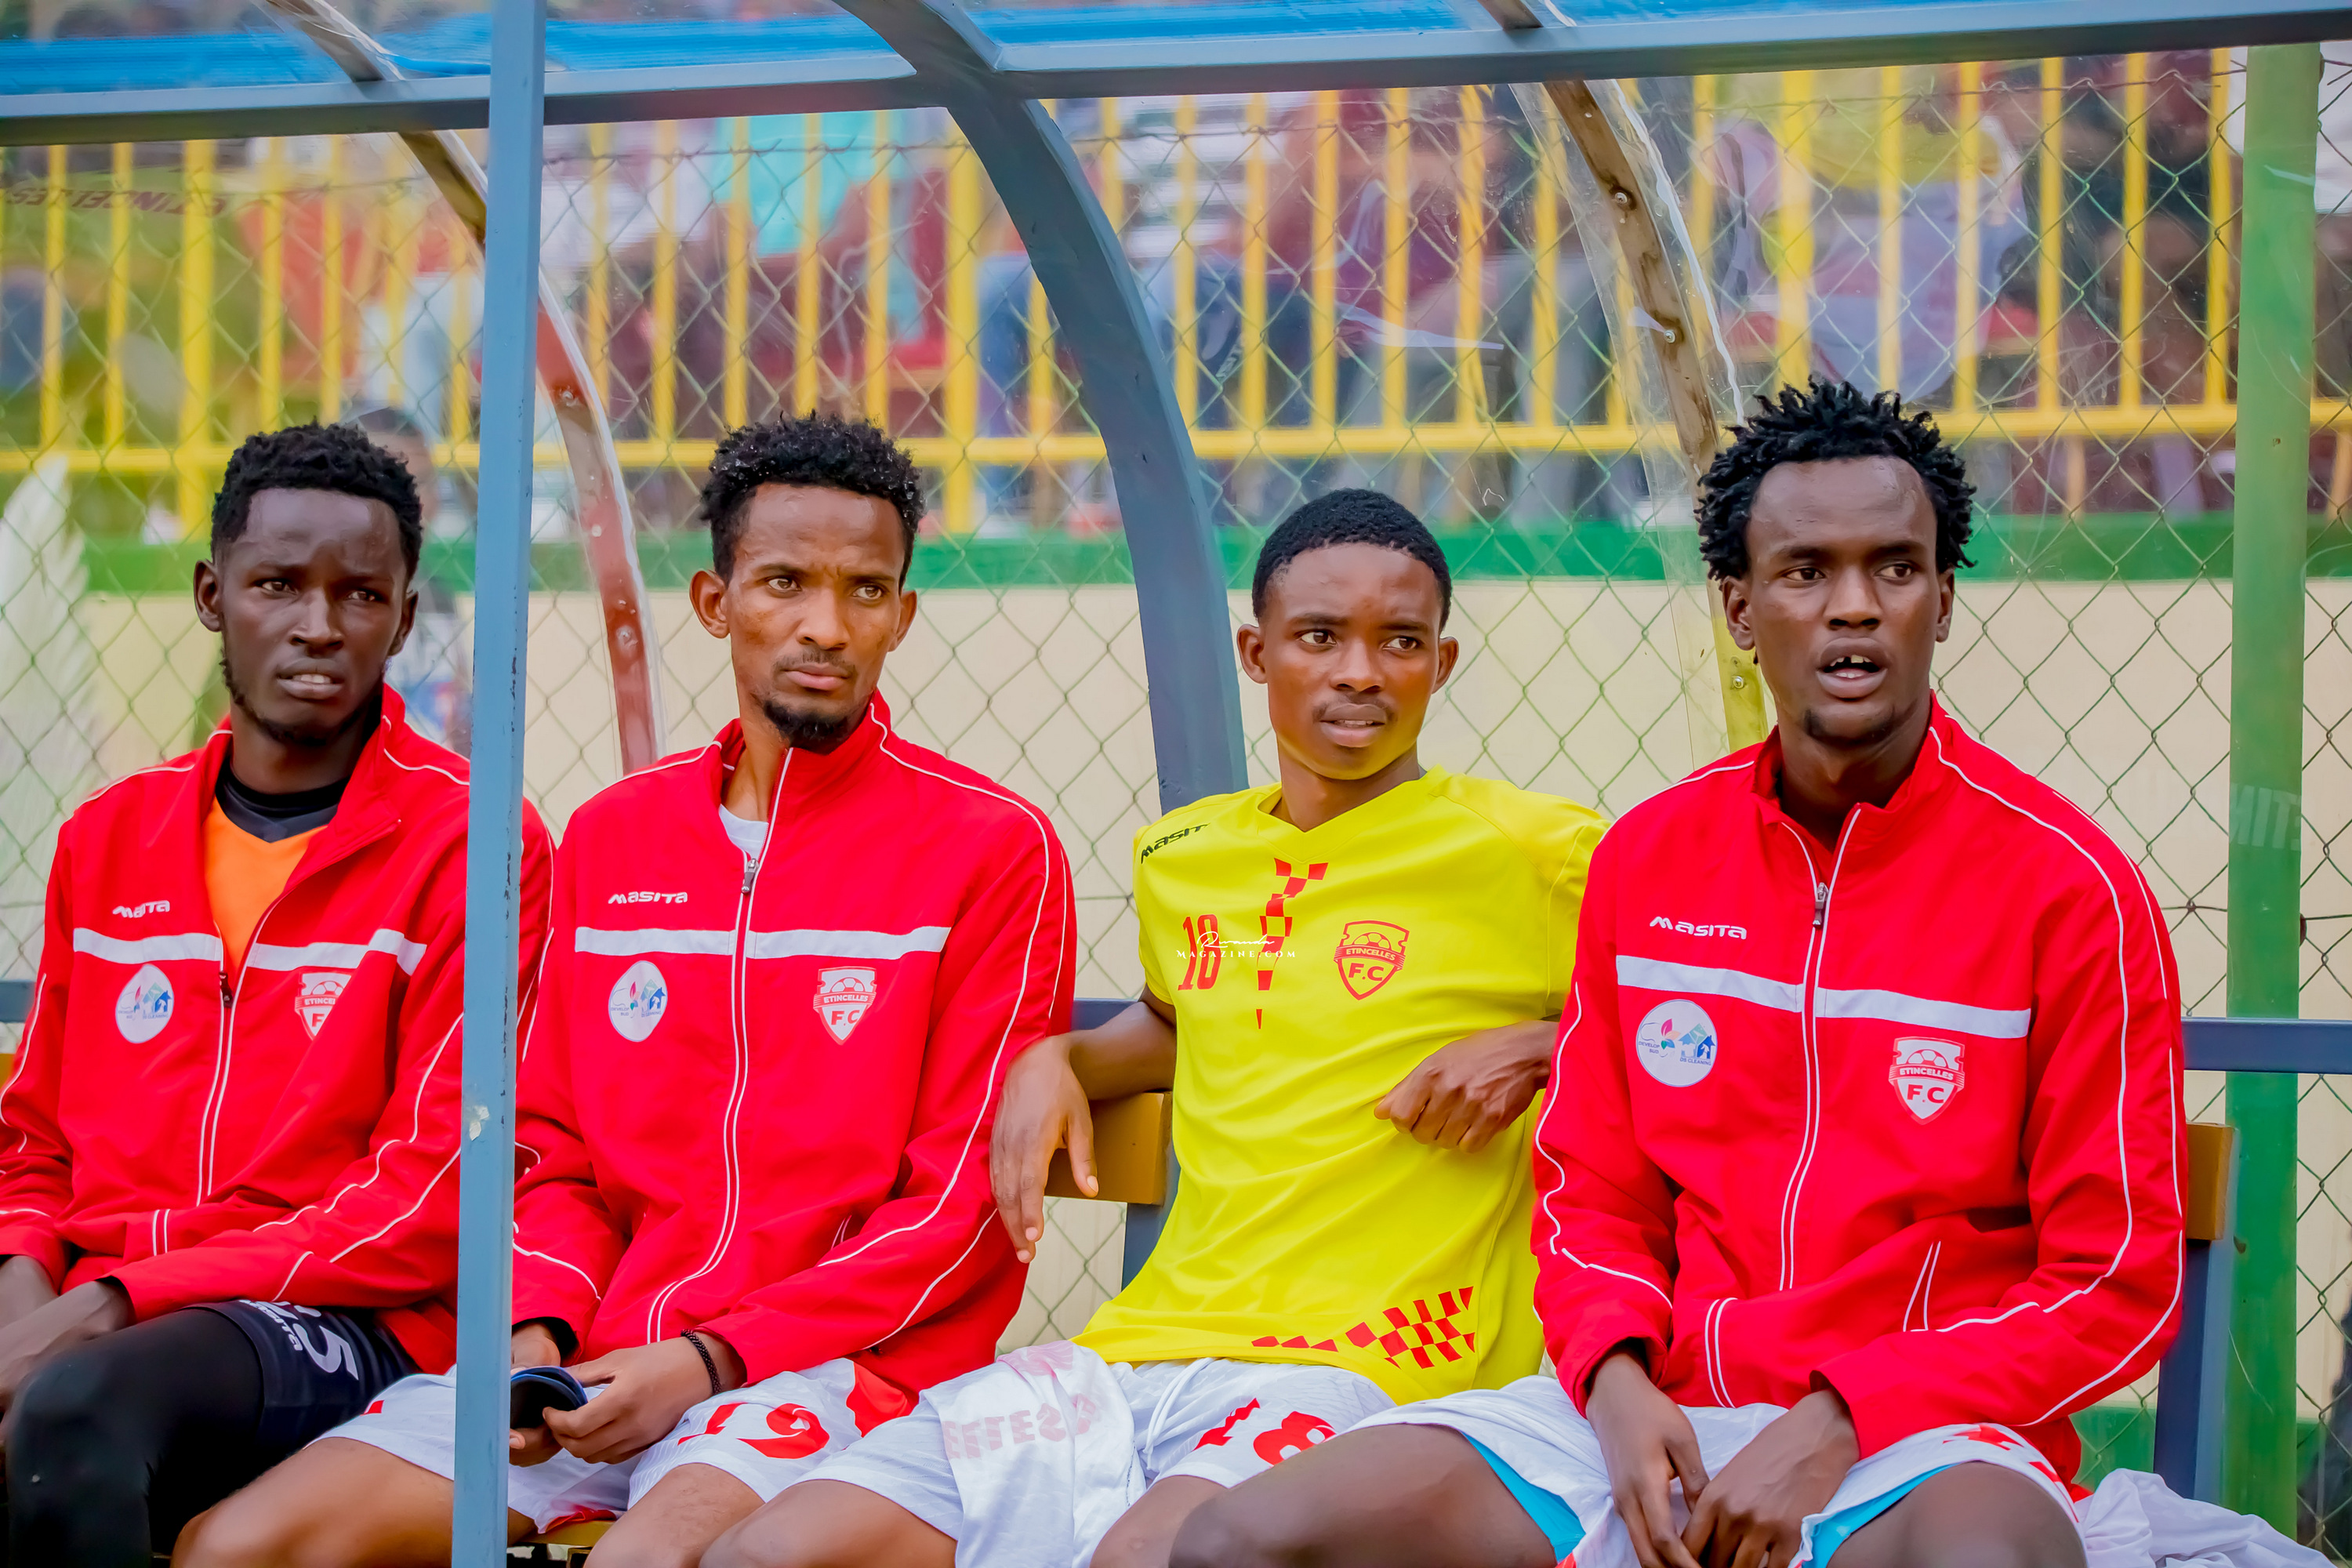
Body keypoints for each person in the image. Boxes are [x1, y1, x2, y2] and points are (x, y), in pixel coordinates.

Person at [1172, 379, 2184, 1568]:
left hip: (1925, 1433)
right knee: (1241, 1540)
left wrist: (1842, 1418)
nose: (1853, 605)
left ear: (1944, 599)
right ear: (1740, 607)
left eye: (1895, 569)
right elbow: (1591, 1190)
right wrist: (1613, 1380)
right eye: (1804, 571)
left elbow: (2116, 1281)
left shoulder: (2068, 888)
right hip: (1651, 1409)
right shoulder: (1651, 856)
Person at [180, 412, 1079, 1568]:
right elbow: (553, 1150)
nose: (826, 625)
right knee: (238, 1545)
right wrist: (538, 1329)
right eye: (786, 583)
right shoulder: (615, 838)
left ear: (901, 616)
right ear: (715, 602)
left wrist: (708, 1359)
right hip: (597, 1363)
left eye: (865, 591)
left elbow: (957, 1210)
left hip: (833, 1368)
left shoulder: (992, 848)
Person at [706, 488, 1607, 1568]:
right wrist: (1059, 1055)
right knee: (775, 1551)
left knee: (1144, 1558)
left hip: (1373, 1365)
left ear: (1442, 663)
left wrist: (1543, 1045)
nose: (1360, 672)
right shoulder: (1183, 856)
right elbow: (1191, 1023)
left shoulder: (1543, 853)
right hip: (1141, 1346)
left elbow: (1701, 1022)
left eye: (1401, 642)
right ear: (1256, 653)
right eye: (1320, 637)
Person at [0, 422, 554, 1565]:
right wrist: (25, 1307)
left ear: (404, 616)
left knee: (77, 1413)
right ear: (214, 596)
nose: (318, 625)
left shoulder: (476, 845)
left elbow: (430, 1197)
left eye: (361, 595)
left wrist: (111, 1305)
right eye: (277, 585)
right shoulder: (109, 839)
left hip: (347, 1315)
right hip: (102, 1304)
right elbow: (35, 1142)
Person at [350, 404, 472, 754]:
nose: (418, 503)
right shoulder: (315, 604)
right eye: (396, 483)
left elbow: (462, 716)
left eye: (426, 483)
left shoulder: (437, 596)